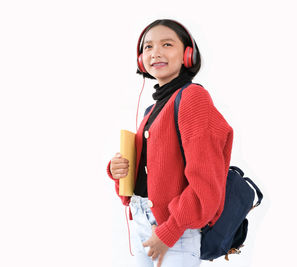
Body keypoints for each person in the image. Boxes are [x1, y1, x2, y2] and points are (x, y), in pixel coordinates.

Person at [106, 19, 234, 267]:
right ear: (141, 59)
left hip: (175, 230)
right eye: (148, 47)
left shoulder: (192, 98)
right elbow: (152, 173)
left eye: (167, 44)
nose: (156, 53)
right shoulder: (150, 110)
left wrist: (169, 231)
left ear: (187, 54)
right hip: (143, 223)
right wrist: (118, 171)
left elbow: (206, 181)